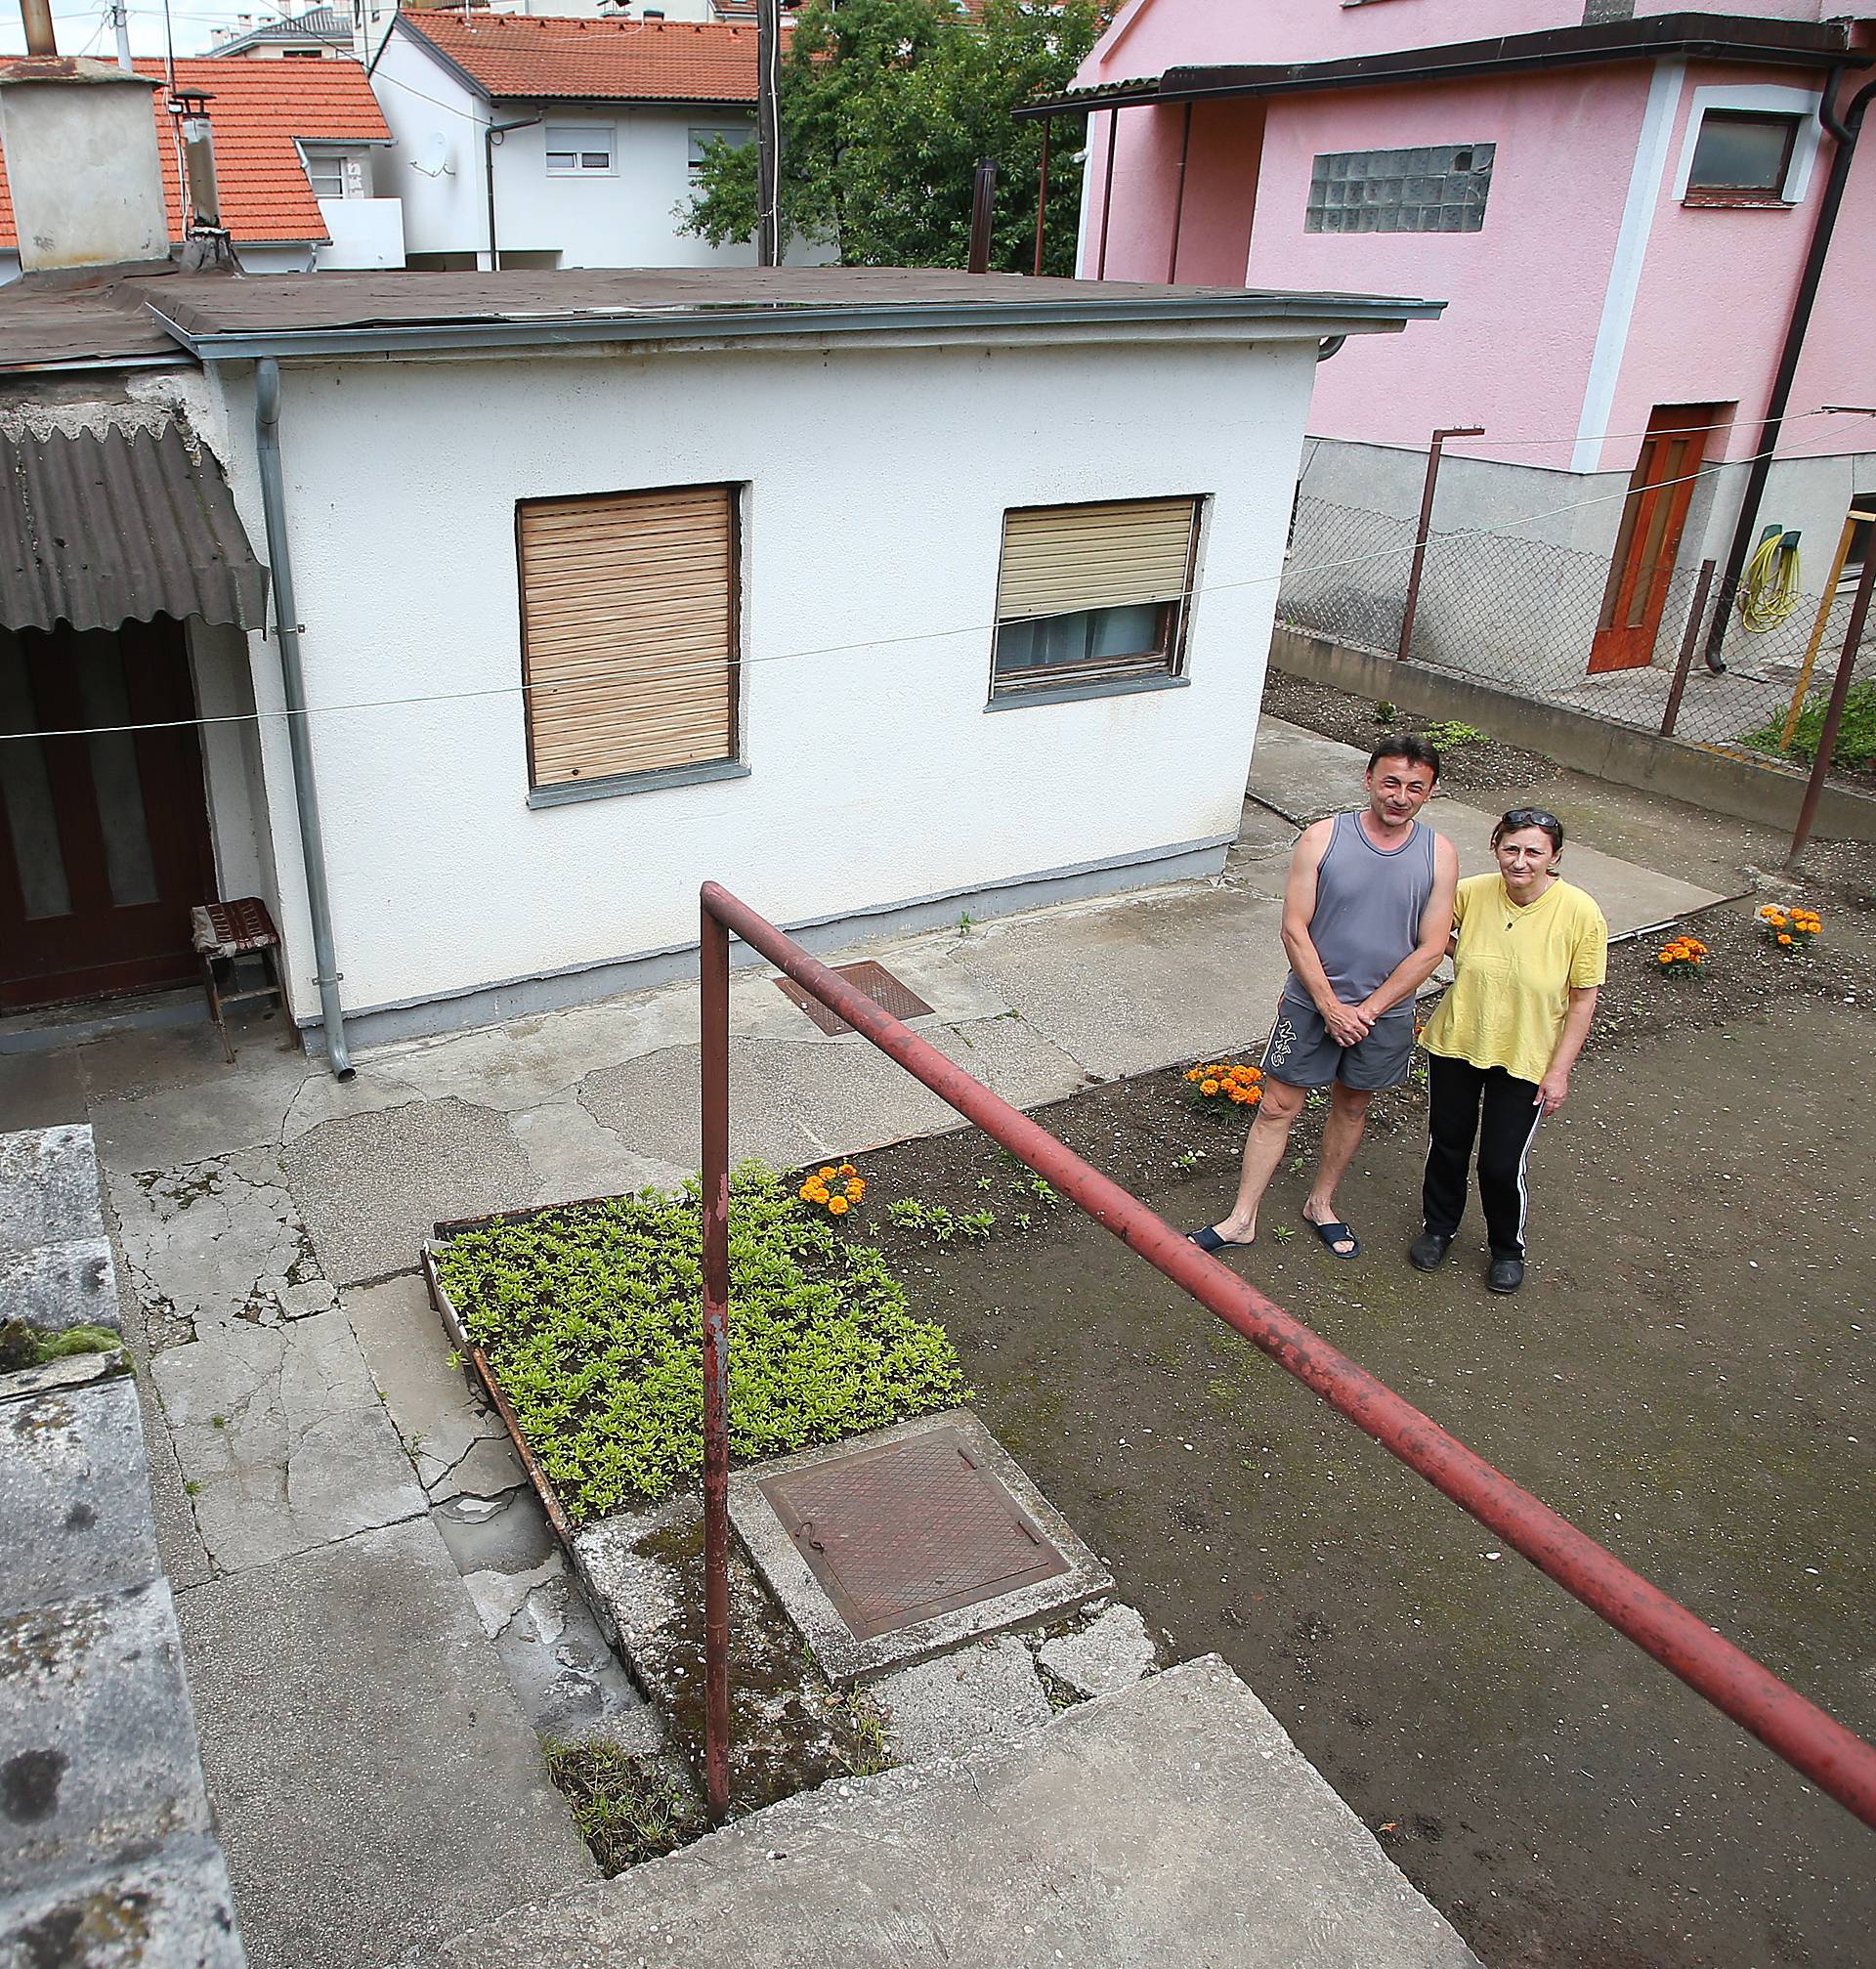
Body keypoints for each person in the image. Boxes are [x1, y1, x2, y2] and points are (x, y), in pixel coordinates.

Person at [1189, 737, 1457, 1259]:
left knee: (1352, 1105)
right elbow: (1294, 928)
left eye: (1414, 787)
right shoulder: (1322, 838)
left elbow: (1431, 948)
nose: (1399, 796)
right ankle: (1242, 1218)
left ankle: (1321, 1204)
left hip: (1385, 1014)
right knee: (1276, 1105)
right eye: (1390, 782)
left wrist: (1368, 1011)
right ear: (1369, 780)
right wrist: (1331, 1006)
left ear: (1430, 792)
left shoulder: (1439, 854)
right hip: (1312, 1005)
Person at [1410, 807, 1606, 1294]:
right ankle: (1439, 1228)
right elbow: (1430, 933)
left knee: (1500, 1160)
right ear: (1497, 848)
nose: (1520, 862)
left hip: (1527, 1055)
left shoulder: (1580, 912)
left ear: (1554, 857)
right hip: (1459, 1040)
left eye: (1534, 852)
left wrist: (1558, 1073)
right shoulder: (1472, 892)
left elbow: (1582, 1003)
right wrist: (1463, 950)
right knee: (1447, 1144)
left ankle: (1506, 1248)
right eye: (1510, 849)